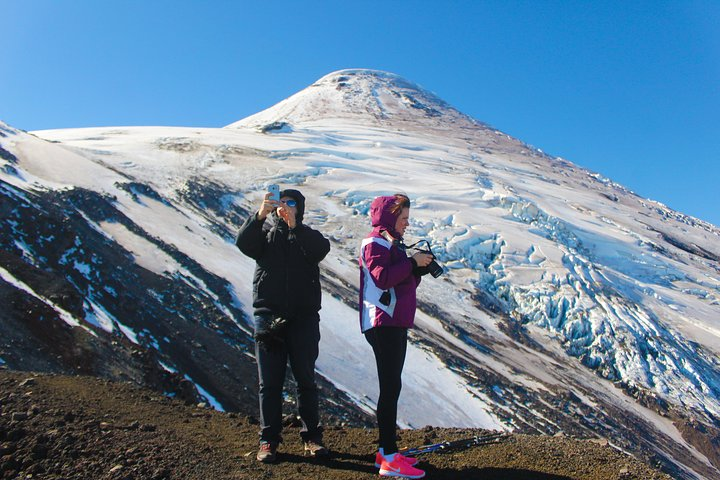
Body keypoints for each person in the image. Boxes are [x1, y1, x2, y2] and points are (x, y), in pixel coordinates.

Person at [236, 187, 331, 463]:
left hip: (303, 317)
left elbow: (321, 248)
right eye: (281, 202)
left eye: (291, 203)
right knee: (270, 383)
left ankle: (312, 437)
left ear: (300, 208)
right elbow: (243, 243)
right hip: (268, 316)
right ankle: (268, 440)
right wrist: (260, 214)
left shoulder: (307, 237)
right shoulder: (265, 237)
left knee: (306, 380)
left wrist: (295, 228)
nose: (285, 207)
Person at [358, 193, 434, 479]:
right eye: (403, 218)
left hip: (393, 321)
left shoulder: (391, 243)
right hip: (383, 321)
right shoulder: (375, 241)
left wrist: (418, 269)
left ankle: (385, 452)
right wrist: (412, 263)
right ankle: (389, 459)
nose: (407, 223)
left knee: (392, 386)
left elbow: (400, 279)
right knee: (389, 387)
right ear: (390, 217)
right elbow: (381, 277)